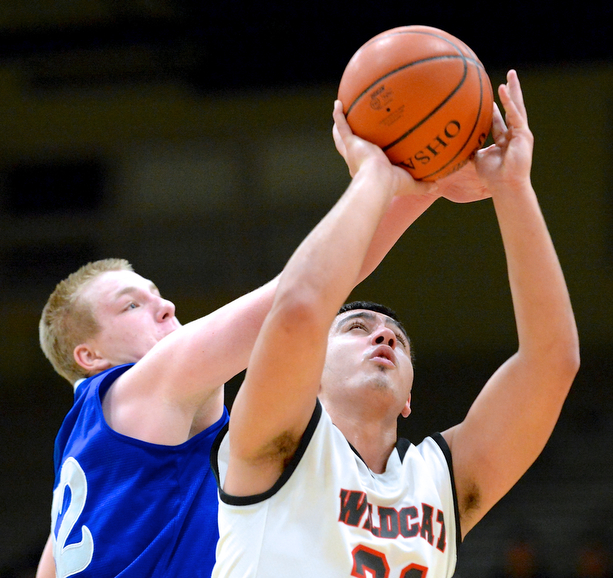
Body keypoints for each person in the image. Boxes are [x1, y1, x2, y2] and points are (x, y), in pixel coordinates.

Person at [35, 119, 486, 577]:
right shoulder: (145, 384)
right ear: (89, 357)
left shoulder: (79, 455)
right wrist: (424, 185)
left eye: (157, 293)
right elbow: (306, 290)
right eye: (130, 305)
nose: (166, 306)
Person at [210, 70, 580, 577]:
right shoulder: (273, 442)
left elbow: (553, 361)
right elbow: (297, 310)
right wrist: (374, 180)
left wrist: (513, 186)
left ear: (409, 399)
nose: (383, 335)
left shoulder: (440, 480)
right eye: (355, 328)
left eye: (398, 342)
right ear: (308, 372)